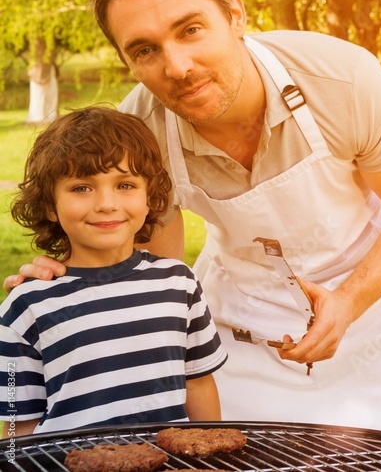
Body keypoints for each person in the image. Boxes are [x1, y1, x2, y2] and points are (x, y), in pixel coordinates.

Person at [5, 0, 381, 431]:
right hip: (243, 328)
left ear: (235, 15)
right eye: (144, 50)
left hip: (376, 314)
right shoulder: (139, 136)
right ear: (127, 62)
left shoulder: (343, 81)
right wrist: (70, 281)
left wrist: (350, 301)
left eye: (191, 29)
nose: (177, 67)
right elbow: (150, 277)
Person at [0, 107, 227, 437]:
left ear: (149, 197)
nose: (106, 203)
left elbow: (199, 384)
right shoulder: (25, 306)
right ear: (50, 205)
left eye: (125, 185)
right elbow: (16, 422)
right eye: (81, 188)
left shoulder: (179, 283)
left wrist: (215, 456)